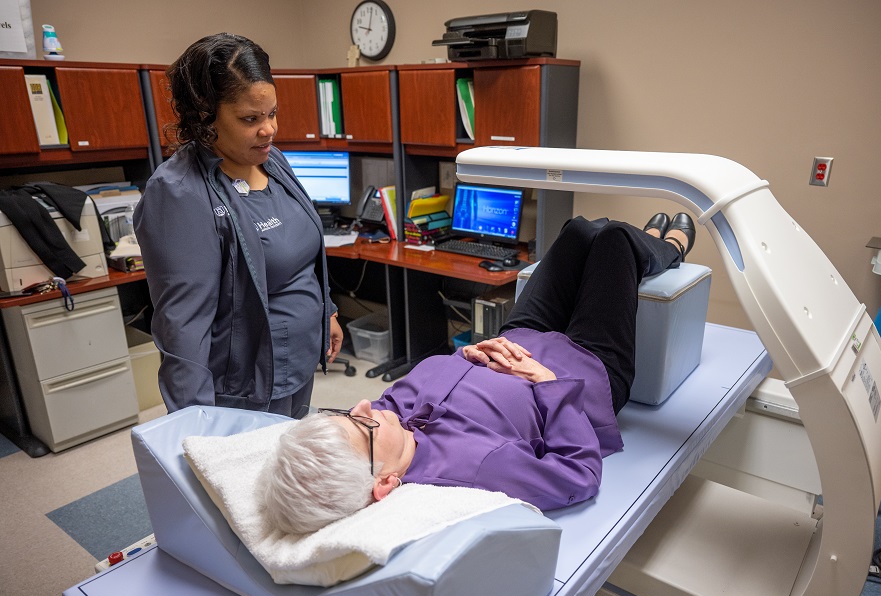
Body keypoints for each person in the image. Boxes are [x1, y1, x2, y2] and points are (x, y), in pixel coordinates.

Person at [264, 213, 696, 534]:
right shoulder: (476, 471)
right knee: (615, 239)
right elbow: (577, 474)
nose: (363, 404)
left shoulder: (386, 424)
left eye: (343, 412)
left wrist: (465, 357)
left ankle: (646, 245)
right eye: (362, 425)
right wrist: (544, 381)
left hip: (516, 338)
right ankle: (667, 248)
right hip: (585, 368)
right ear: (385, 484)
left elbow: (404, 397)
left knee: (579, 231)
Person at [134, 33, 343, 417]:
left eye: (272, 114)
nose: (269, 130)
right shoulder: (179, 193)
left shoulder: (273, 160)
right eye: (250, 119)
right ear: (204, 115)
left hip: (298, 362)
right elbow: (182, 327)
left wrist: (326, 311)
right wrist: (194, 426)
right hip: (245, 383)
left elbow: (303, 254)